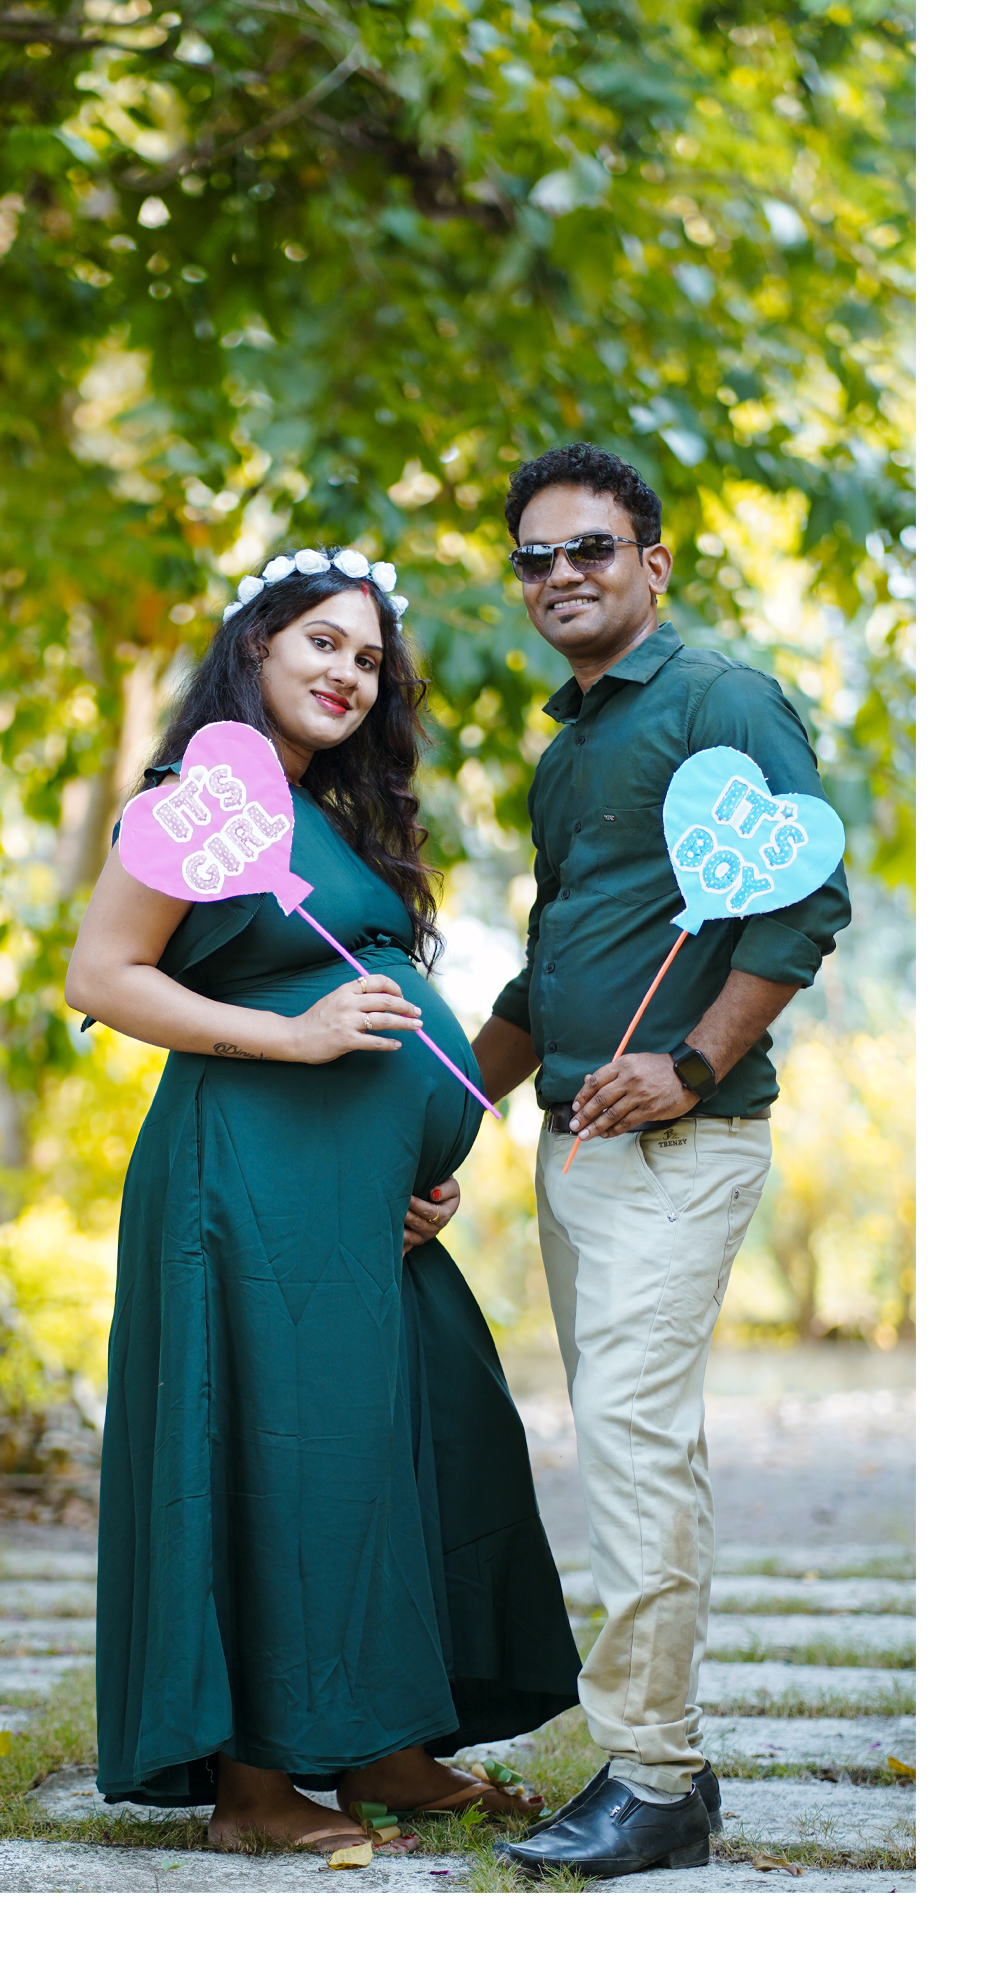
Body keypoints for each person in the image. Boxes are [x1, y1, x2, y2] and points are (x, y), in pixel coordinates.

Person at [64, 548, 579, 1855]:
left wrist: (417, 1164)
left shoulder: (333, 817)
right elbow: (103, 975)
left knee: (423, 1428)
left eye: (369, 660)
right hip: (243, 1187)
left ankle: (389, 1746)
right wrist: (286, 1039)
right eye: (323, 644)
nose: (349, 673)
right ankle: (251, 1790)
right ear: (256, 646)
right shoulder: (195, 801)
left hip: (360, 1211)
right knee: (275, 1454)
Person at [473, 445, 851, 1880]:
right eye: (536, 557)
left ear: (653, 562)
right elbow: (545, 973)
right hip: (574, 1153)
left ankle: (652, 1772)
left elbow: (804, 907)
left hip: (685, 1138)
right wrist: (443, 1126)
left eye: (591, 549)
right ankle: (665, 1773)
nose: (562, 575)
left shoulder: (721, 699)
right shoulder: (567, 752)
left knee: (629, 1443)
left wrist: (688, 1063)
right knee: (637, 1447)